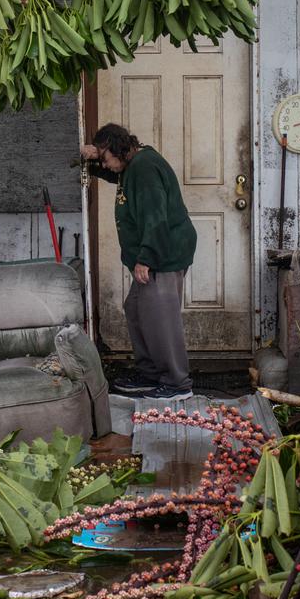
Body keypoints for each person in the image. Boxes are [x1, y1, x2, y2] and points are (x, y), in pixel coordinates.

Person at [81, 124, 196, 400]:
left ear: (118, 149)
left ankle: (177, 383)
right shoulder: (133, 164)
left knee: (161, 317)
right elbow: (115, 174)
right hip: (155, 254)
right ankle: (151, 373)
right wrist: (92, 160)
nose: (106, 164)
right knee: (135, 308)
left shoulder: (144, 168)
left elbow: (155, 217)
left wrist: (146, 259)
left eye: (106, 157)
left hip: (163, 255)